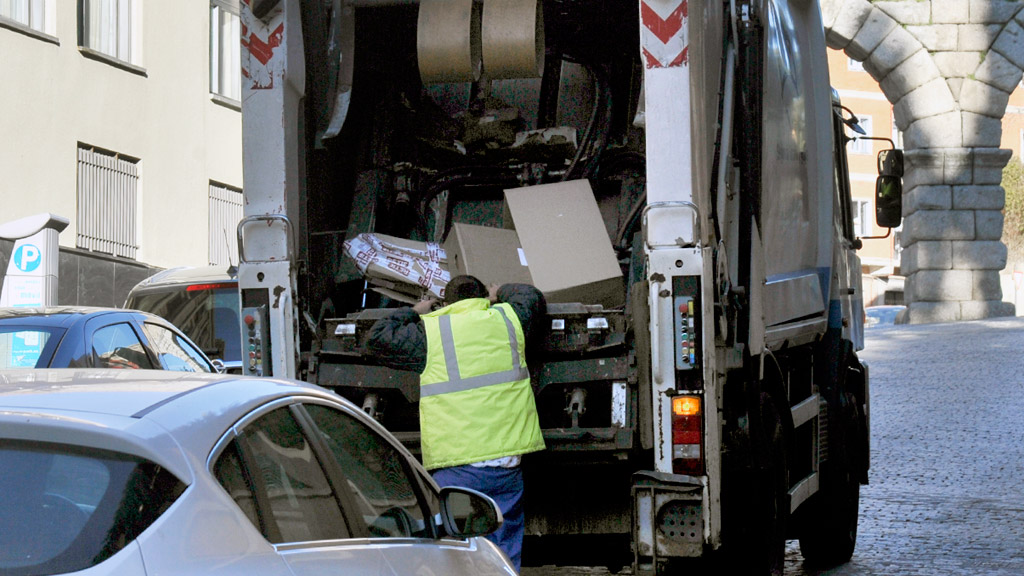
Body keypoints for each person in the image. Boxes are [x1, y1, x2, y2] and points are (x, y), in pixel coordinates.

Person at [366, 274, 546, 571]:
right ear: (483, 299)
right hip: (506, 464)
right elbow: (531, 296)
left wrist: (415, 310)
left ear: (447, 303)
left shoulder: (431, 331)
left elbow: (377, 338)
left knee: (458, 549)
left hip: (458, 468)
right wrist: (498, 289)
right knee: (503, 551)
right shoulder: (507, 319)